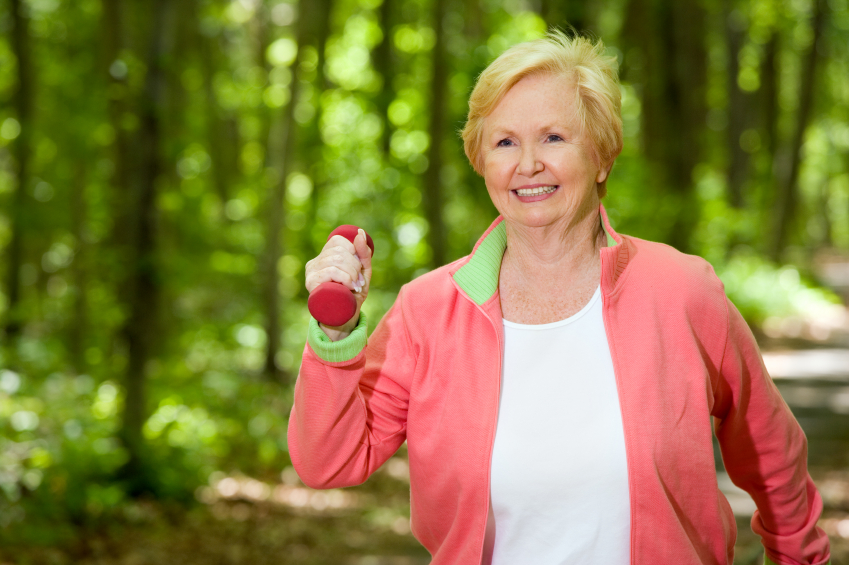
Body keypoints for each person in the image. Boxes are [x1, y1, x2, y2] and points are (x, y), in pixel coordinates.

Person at [288, 31, 832, 565]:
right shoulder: (428, 312)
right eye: (504, 142)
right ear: (481, 163)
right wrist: (335, 337)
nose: (527, 164)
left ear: (602, 156)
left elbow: (771, 456)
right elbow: (327, 464)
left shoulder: (681, 290)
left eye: (553, 137)